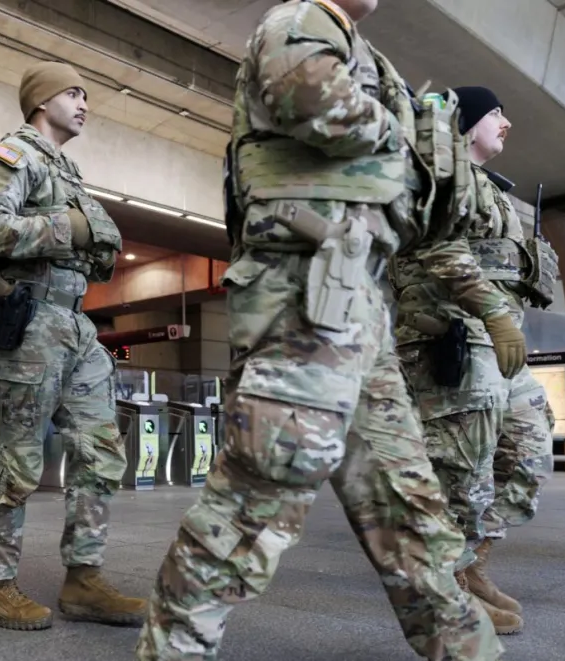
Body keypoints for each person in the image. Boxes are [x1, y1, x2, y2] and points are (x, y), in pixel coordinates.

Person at [135, 1, 504, 659]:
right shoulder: (298, 22)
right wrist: (415, 144)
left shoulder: (373, 60)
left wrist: (424, 159)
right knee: (258, 500)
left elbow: (430, 205)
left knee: (411, 504)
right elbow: (319, 101)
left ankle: (466, 647)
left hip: (361, 307)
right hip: (299, 299)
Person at [0, 60, 146, 631]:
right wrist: (69, 229)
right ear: (42, 102)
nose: (84, 102)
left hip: (75, 323)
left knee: (100, 451)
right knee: (19, 459)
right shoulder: (13, 155)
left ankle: (84, 578)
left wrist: (93, 241)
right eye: (73, 92)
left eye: (86, 94)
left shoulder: (66, 170)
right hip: (33, 320)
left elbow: (98, 247)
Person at [389, 86, 559, 635]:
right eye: (495, 115)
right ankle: (447, 587)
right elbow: (441, 248)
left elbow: (512, 268)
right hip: (451, 337)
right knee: (461, 471)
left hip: (495, 343)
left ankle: (474, 566)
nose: (507, 125)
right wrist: (495, 313)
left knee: (529, 450)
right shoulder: (436, 169)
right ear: (466, 122)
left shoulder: (496, 193)